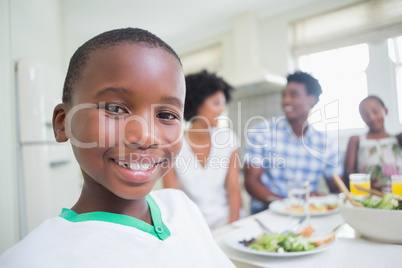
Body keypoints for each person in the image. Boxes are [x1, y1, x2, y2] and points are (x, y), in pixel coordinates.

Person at [0, 28, 234, 267]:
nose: (145, 136)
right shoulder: (31, 259)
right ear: (63, 123)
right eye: (114, 109)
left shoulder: (182, 207)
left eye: (165, 114)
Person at [243, 71, 343, 214]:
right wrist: (288, 204)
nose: (285, 101)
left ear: (311, 100)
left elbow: (337, 187)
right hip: (267, 212)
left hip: (307, 213)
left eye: (293, 95)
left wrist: (322, 199)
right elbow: (251, 183)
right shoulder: (261, 132)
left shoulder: (327, 143)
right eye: (284, 95)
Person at [163, 70, 242, 230]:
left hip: (226, 221)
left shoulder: (228, 139)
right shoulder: (172, 144)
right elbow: (172, 195)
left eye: (223, 104)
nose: (221, 110)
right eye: (216, 103)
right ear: (197, 103)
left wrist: (231, 228)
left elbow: (234, 189)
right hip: (191, 226)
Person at [344, 95, 402, 193]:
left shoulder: (398, 139)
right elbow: (349, 173)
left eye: (375, 111)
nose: (371, 117)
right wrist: (367, 184)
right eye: (365, 115)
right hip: (369, 195)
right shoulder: (356, 140)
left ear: (386, 111)